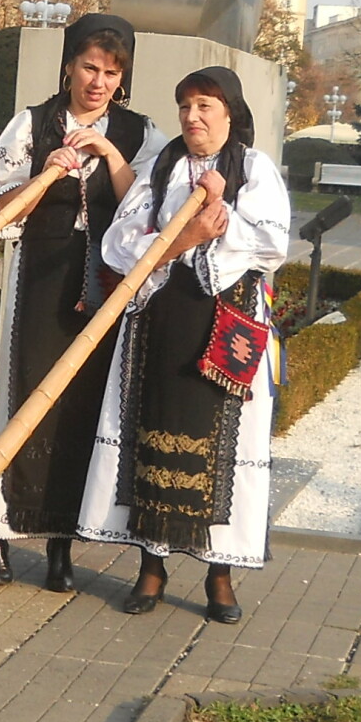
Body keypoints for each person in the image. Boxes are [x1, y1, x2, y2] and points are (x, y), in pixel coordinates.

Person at [78, 66, 290, 624]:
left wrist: (221, 224)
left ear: (229, 113)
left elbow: (272, 241)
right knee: (152, 434)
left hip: (226, 325)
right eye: (185, 107)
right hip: (161, 321)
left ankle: (219, 576)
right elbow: (119, 240)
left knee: (220, 448)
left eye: (205, 107)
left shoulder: (253, 168)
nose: (192, 118)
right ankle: (152, 565)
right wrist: (179, 236)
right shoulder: (163, 166)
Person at [0, 14, 169, 591]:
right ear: (68, 65)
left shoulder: (139, 133)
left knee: (85, 407)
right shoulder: (33, 123)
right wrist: (44, 170)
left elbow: (153, 205)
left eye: (112, 72)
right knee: (24, 400)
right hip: (40, 280)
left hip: (105, 290)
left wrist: (110, 154)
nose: (99, 81)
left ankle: (62, 543)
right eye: (89, 67)